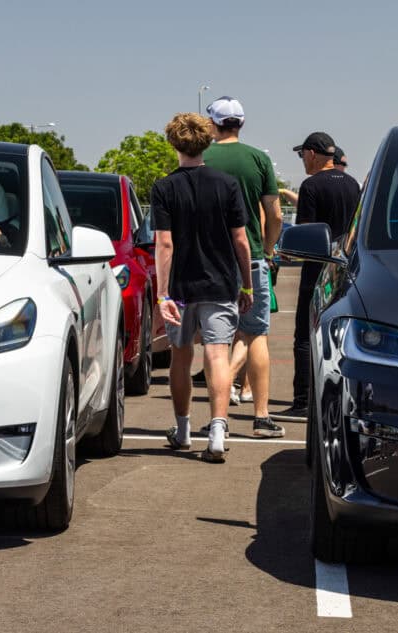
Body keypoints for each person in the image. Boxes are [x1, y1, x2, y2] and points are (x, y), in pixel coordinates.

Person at [152, 113, 253, 463]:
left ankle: (182, 431)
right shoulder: (226, 185)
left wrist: (162, 294)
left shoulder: (164, 188)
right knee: (217, 354)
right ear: (206, 142)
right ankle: (217, 432)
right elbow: (241, 240)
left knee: (181, 357)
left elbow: (164, 245)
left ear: (174, 143)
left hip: (180, 286)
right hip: (220, 282)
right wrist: (248, 285)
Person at [202, 96, 285, 438]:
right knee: (256, 332)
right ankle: (261, 416)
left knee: (215, 340)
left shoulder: (202, 157)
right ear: (242, 124)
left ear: (213, 124)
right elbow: (276, 215)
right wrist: (266, 249)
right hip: (249, 254)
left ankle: (217, 415)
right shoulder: (259, 159)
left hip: (210, 259)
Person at [272, 132, 360, 422]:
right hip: (347, 267)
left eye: (302, 155)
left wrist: (288, 251)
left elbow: (304, 232)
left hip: (317, 267)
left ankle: (302, 401)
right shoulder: (353, 185)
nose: (302, 161)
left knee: (304, 335)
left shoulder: (310, 186)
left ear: (312, 154)